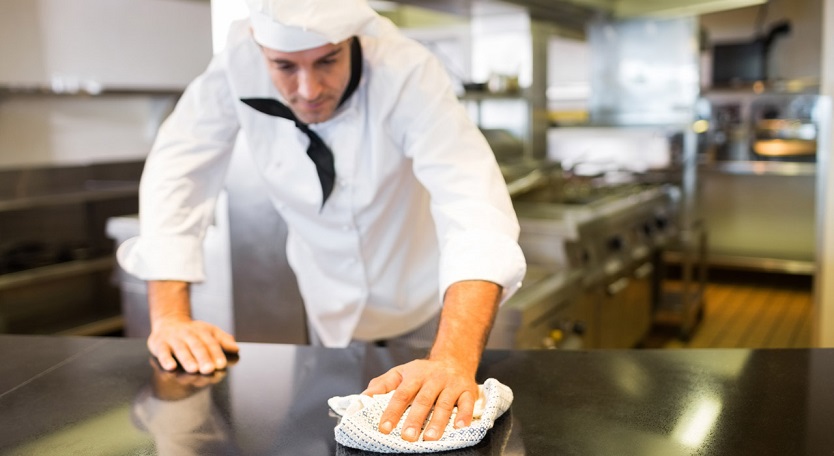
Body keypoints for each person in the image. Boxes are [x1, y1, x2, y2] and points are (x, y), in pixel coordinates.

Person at [117, 0, 526, 442]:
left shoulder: (405, 69)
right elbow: (178, 168)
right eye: (285, 66)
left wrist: (451, 359)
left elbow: (471, 200)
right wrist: (171, 316)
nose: (309, 89)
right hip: (327, 309)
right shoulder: (236, 62)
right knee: (323, 439)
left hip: (429, 306)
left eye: (328, 60)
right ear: (259, 46)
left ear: (352, 41)